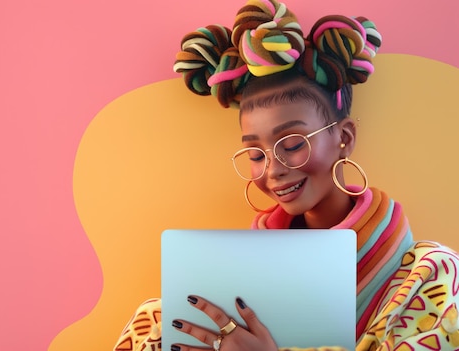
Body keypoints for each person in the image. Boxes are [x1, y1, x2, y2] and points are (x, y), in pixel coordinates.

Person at [112, 0, 459, 350]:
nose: (273, 169)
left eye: (292, 143)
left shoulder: (432, 277)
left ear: (345, 137)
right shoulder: (232, 284)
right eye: (255, 153)